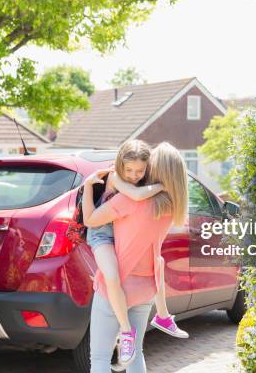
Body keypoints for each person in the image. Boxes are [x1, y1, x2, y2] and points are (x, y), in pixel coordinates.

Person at [84, 142, 189, 372]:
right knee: (136, 354)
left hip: (117, 287)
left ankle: (145, 322)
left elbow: (90, 221)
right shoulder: (171, 209)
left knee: (100, 359)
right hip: (145, 290)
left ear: (151, 169)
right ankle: (162, 315)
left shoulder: (129, 200)